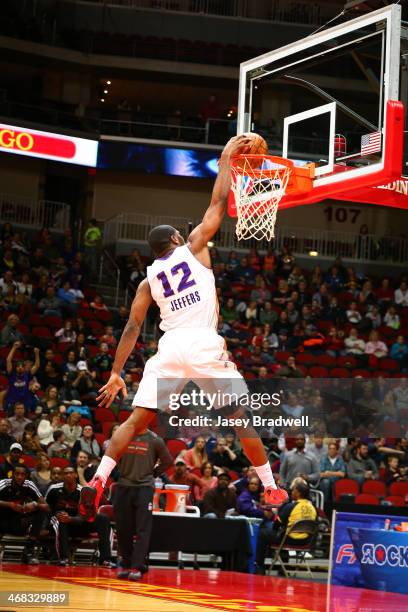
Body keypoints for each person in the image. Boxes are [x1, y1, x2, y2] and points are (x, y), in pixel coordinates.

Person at [80, 135, 287, 516]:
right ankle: (272, 489)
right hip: (203, 343)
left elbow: (131, 327)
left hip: (170, 347)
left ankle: (98, 479)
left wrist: (115, 372)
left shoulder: (147, 280)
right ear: (176, 239)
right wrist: (226, 158)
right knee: (241, 419)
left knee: (136, 420)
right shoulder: (193, 246)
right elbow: (219, 203)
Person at [114, 428, 172, 581]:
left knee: (142, 529)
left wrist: (153, 473)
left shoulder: (155, 440)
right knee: (122, 528)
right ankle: (126, 565)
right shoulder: (123, 434)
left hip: (144, 488)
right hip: (123, 486)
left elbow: (168, 461)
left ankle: (136, 567)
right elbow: (111, 456)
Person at [45, 466, 114, 566]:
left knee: (103, 519)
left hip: (79, 522)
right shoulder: (53, 489)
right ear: (62, 476)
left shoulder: (83, 491)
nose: (68, 475)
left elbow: (85, 515)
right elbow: (46, 507)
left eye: (71, 473)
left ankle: (105, 559)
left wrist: (70, 519)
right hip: (60, 523)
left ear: (76, 475)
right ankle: (64, 558)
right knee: (60, 520)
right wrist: (52, 518)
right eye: (65, 473)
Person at [255, 478, 317, 575]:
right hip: (305, 541)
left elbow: (277, 524)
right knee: (283, 533)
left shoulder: (291, 506)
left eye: (294, 490)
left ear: (298, 493)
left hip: (290, 540)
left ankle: (259, 567)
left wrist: (275, 529)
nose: (292, 492)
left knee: (264, 533)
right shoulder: (313, 508)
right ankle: (282, 570)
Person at [0, 464, 49, 564]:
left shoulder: (29, 484)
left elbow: (46, 506)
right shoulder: (4, 483)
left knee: (40, 511)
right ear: (12, 474)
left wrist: (35, 504)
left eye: (22, 474)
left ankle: (28, 552)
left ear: (26, 476)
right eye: (17, 474)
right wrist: (9, 504)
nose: (19, 477)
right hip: (2, 521)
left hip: (18, 522)